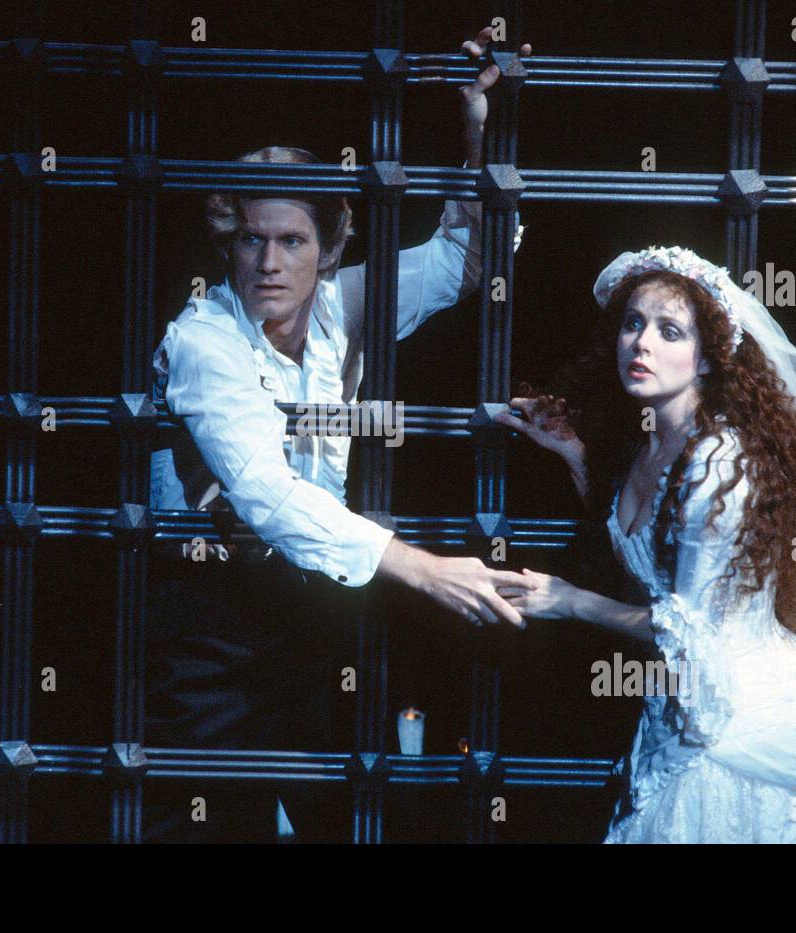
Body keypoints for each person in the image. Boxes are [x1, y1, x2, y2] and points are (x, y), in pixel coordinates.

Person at [145, 27, 532, 842]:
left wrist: (476, 129)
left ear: (326, 251)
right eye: (252, 239)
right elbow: (265, 491)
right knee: (205, 823)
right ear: (229, 243)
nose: (269, 262)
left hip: (317, 609)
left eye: (292, 241)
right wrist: (422, 568)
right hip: (210, 623)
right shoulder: (204, 338)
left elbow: (468, 259)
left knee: (339, 810)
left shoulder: (343, 303)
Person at [495, 245, 796, 843]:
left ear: (708, 358)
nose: (641, 344)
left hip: (750, 721)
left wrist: (569, 600)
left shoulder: (720, 465)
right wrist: (574, 454)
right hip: (689, 704)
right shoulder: (652, 444)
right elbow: (649, 552)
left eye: (669, 331)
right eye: (633, 323)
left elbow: (694, 634)